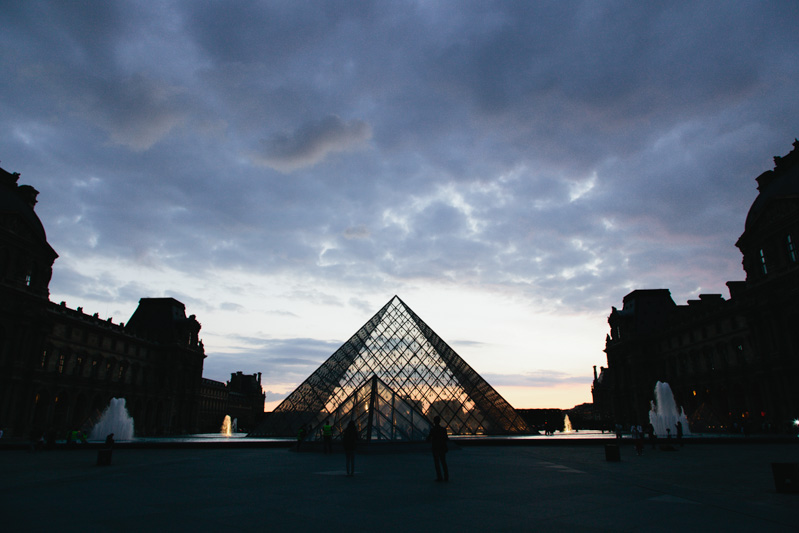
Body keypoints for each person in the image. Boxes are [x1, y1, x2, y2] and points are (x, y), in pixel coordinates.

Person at [427, 416, 449, 482]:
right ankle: (446, 476)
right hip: (442, 447)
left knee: (437, 463)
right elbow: (446, 439)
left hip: (435, 448)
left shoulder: (433, 430)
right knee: (443, 462)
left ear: (434, 421)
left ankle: (439, 477)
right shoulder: (443, 429)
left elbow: (428, 438)